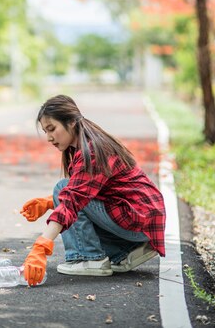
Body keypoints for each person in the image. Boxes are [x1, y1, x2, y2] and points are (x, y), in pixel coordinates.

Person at [20, 95, 166, 286]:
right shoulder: (89, 144)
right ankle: (124, 251)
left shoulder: (94, 151)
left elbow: (74, 198)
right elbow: (89, 189)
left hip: (137, 217)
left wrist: (41, 247)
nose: (49, 138)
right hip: (142, 217)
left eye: (52, 129)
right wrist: (50, 202)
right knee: (64, 191)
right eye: (46, 132)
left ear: (71, 122)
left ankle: (89, 258)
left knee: (62, 188)